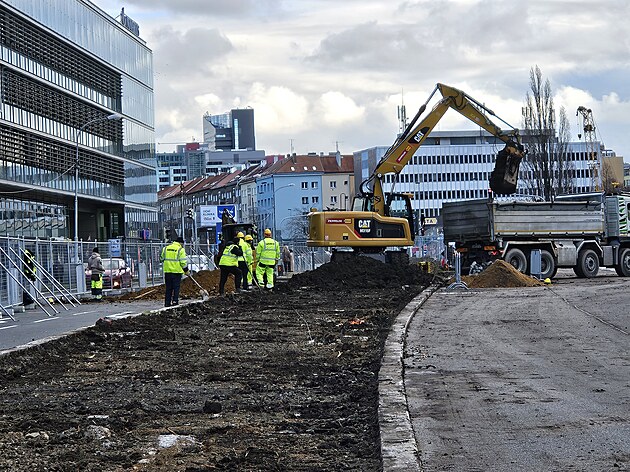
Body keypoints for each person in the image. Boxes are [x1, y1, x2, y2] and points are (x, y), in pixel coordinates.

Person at [160, 236, 189, 307]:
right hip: (176, 272)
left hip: (167, 272)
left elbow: (161, 258)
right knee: (176, 288)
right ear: (181, 243)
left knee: (168, 288)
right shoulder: (180, 250)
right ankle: (175, 301)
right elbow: (183, 262)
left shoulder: (165, 248)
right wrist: (186, 271)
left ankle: (167, 302)